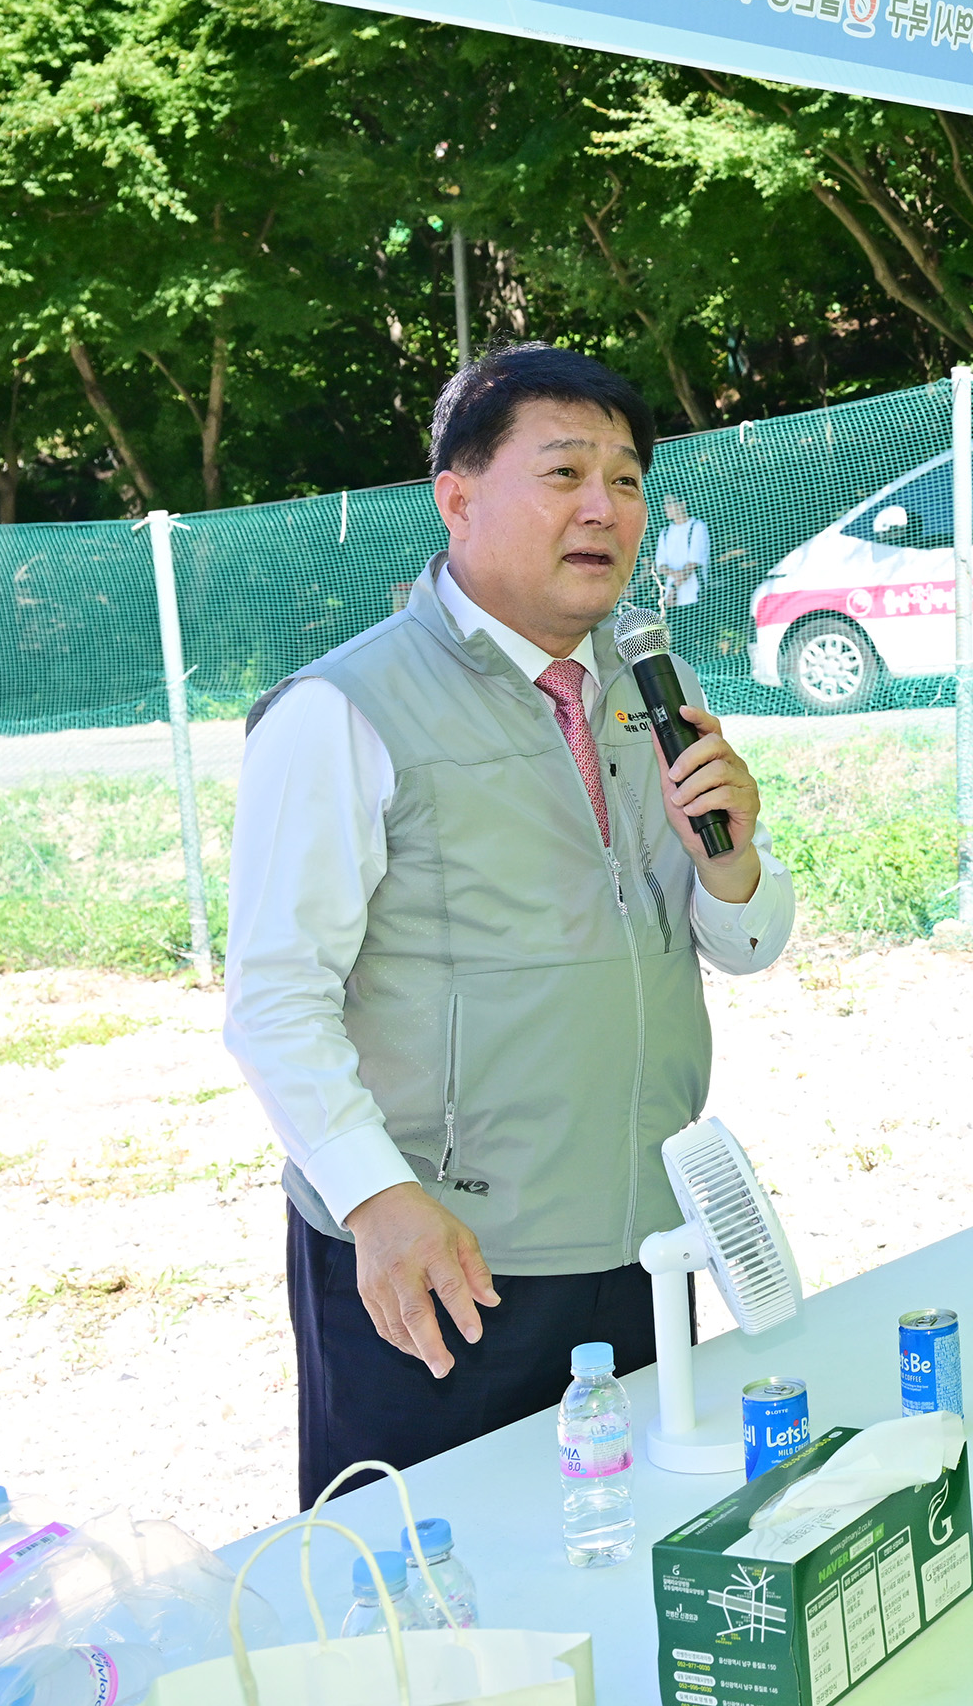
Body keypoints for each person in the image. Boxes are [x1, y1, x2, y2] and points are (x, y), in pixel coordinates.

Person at [222, 345, 796, 1509]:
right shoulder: (344, 709)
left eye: (628, 479)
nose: (605, 507)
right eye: (566, 470)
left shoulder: (645, 685)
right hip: (448, 1262)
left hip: (644, 1241)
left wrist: (731, 863)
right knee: (439, 1609)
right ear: (458, 495)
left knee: (638, 1574)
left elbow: (742, 943)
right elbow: (274, 1000)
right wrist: (377, 1203)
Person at [652, 496, 709, 609]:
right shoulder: (665, 532)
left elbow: (694, 562)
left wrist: (674, 586)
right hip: (671, 600)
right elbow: (660, 565)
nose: (665, 507)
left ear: (683, 503)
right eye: (664, 504)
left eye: (669, 503)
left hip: (695, 596)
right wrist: (671, 590)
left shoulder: (697, 526)